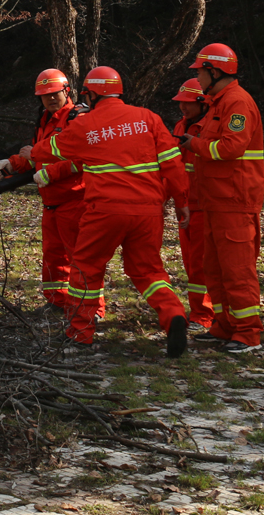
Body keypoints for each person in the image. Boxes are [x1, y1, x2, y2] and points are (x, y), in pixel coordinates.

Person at [49, 66, 190, 358]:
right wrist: (182, 201)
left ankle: (80, 333)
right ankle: (173, 312)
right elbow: (173, 164)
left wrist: (27, 155)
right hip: (148, 211)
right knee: (148, 270)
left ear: (91, 93)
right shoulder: (148, 118)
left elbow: (54, 149)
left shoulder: (86, 125)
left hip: (105, 211)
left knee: (86, 267)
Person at [177, 43, 264, 354]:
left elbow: (230, 148)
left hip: (234, 202)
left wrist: (195, 144)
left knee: (237, 270)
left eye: (199, 72)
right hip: (216, 202)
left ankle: (248, 333)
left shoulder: (237, 103)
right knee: (214, 270)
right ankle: (225, 326)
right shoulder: (218, 103)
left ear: (214, 71)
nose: (197, 78)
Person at [0, 68, 86, 313]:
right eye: (45, 95)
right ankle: (57, 302)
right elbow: (38, 155)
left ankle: (88, 310)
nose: (50, 98)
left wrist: (51, 173)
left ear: (66, 91)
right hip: (51, 201)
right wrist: (12, 163)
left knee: (80, 259)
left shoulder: (79, 118)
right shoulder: (44, 120)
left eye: (55, 93)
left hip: (75, 200)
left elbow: (84, 158)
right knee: (53, 255)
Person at [172, 78, 214, 333]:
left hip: (203, 206)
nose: (183, 108)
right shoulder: (182, 125)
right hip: (186, 204)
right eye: (181, 104)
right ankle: (200, 312)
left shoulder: (208, 127)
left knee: (201, 265)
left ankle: (204, 315)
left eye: (188, 103)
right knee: (190, 263)